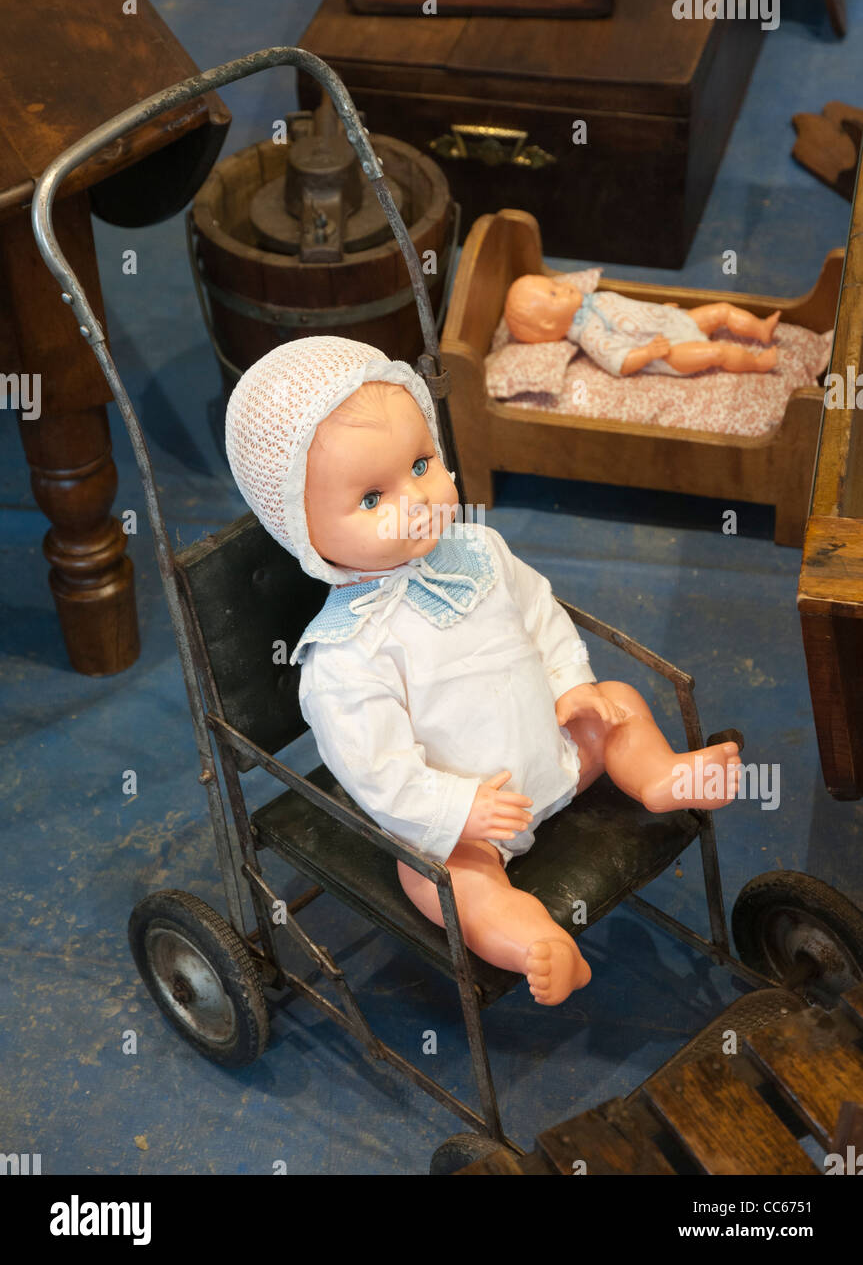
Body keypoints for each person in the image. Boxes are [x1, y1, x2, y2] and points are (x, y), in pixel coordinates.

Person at [225, 337, 741, 1006]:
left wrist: (571, 686)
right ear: (303, 530)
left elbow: (540, 616)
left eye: (421, 464)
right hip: (477, 819)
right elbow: (376, 771)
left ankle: (659, 776)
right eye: (373, 497)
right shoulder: (345, 653)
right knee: (442, 880)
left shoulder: (477, 550)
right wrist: (457, 808)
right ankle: (536, 942)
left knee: (615, 701)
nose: (416, 501)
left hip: (553, 754)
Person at [504, 273, 781, 376]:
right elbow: (617, 361)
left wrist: (659, 311)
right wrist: (649, 353)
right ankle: (756, 364)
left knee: (721, 311)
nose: (563, 286)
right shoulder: (590, 333)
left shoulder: (591, 300)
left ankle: (760, 329)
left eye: (554, 283)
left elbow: (629, 308)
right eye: (554, 294)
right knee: (717, 353)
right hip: (668, 352)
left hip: (672, 322)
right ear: (548, 322)